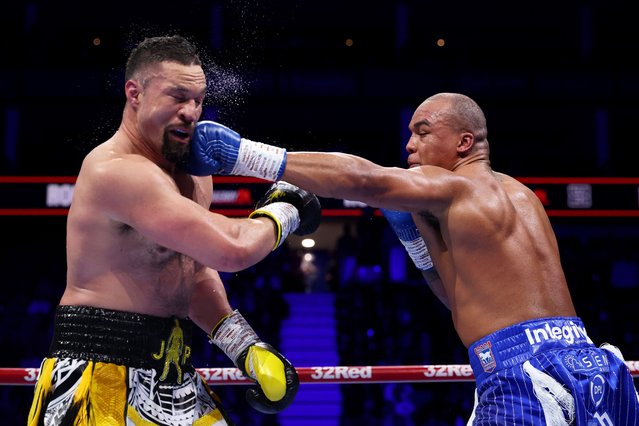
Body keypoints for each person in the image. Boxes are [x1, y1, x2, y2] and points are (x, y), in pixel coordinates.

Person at [183, 92, 639, 424]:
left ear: (464, 143)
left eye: (422, 132)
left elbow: (368, 181)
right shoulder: (521, 196)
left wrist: (244, 155)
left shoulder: (458, 186)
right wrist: (419, 247)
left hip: (525, 374)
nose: (410, 147)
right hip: (592, 367)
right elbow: (468, 303)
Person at [27, 35, 322, 425]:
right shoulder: (117, 171)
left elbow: (193, 271)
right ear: (134, 92)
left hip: (174, 371)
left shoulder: (194, 177)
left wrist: (245, 348)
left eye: (198, 100)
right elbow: (231, 251)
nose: (191, 112)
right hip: (99, 372)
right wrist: (285, 209)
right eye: (177, 96)